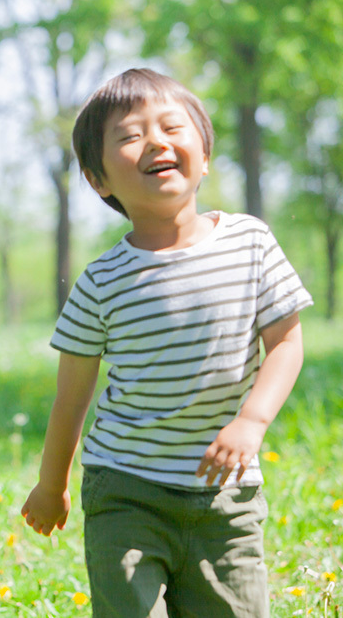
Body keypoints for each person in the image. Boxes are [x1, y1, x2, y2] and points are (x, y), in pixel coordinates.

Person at [21, 68, 313, 617]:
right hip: (125, 490)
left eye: (172, 127)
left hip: (225, 495)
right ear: (98, 179)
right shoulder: (101, 282)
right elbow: (71, 398)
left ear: (204, 154)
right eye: (130, 136)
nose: (156, 141)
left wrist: (252, 422)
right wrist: (51, 483)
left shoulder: (250, 241)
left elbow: (287, 342)